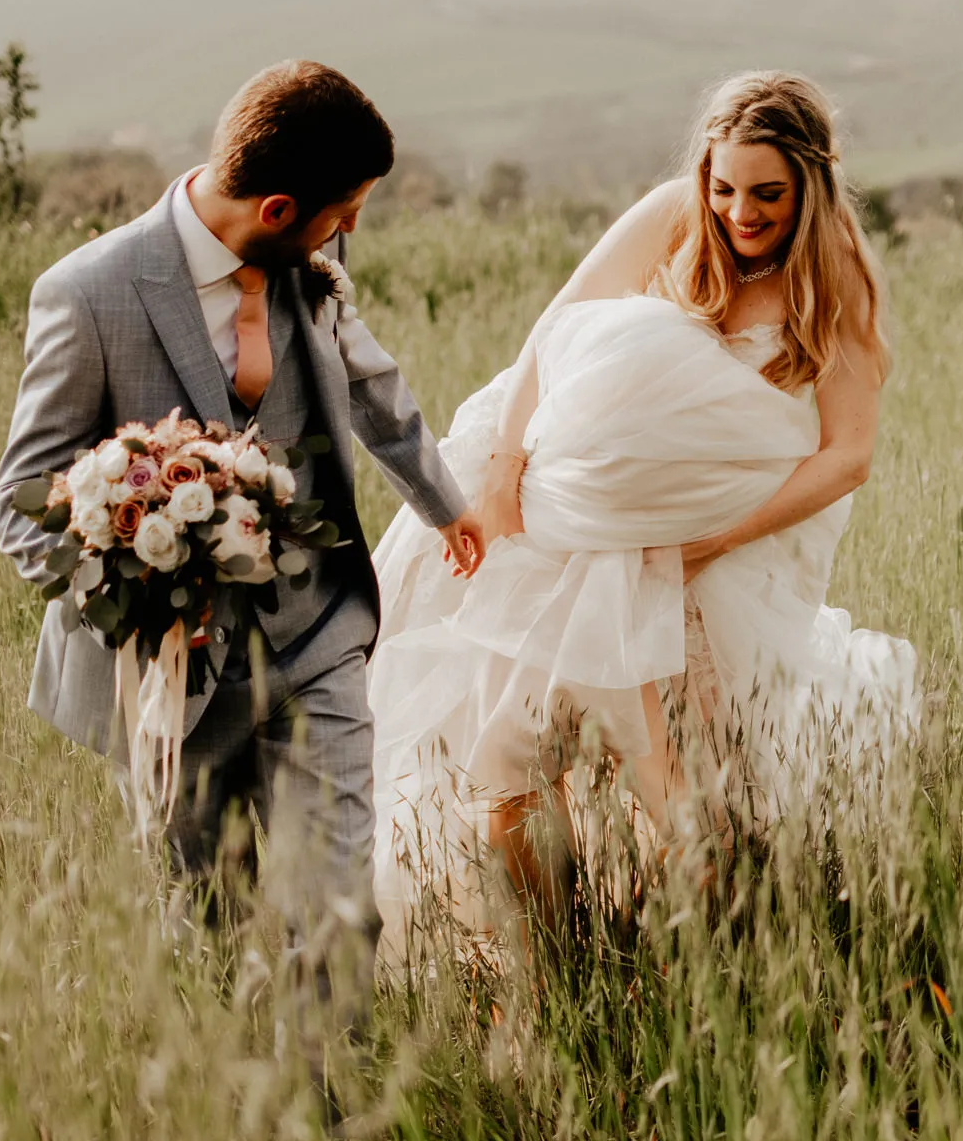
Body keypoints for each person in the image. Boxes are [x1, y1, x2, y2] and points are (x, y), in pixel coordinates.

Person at [0, 60, 484, 1039]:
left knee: (338, 899)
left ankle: (330, 1108)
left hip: (320, 638)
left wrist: (444, 503)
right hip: (173, 680)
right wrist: (140, 580)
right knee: (206, 914)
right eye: (340, 212)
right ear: (279, 205)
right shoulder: (88, 293)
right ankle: (228, 1109)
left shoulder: (312, 274)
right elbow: (17, 503)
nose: (347, 234)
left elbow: (375, 389)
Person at [368, 70, 917, 943]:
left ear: (811, 185)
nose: (740, 212)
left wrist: (708, 545)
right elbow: (554, 332)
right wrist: (507, 469)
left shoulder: (835, 271)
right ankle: (537, 964)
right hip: (573, 524)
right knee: (514, 766)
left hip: (713, 551)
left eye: (767, 195)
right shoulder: (673, 212)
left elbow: (846, 456)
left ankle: (680, 974)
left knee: (688, 792)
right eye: (724, 187)